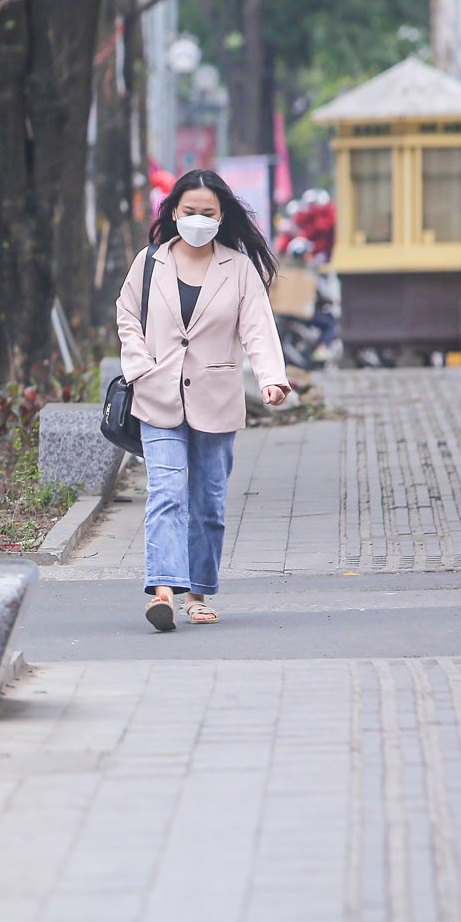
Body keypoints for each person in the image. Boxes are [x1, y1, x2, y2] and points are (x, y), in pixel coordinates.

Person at [116, 168, 291, 632]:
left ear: (221, 215)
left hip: (217, 398)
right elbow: (127, 314)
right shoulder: (150, 262)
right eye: (189, 211)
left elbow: (257, 326)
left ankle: (198, 592)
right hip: (157, 395)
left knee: (209, 501)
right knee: (166, 494)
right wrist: (139, 366)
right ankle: (163, 592)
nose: (197, 218)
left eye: (207, 212)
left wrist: (272, 378)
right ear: (174, 212)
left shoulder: (238, 268)